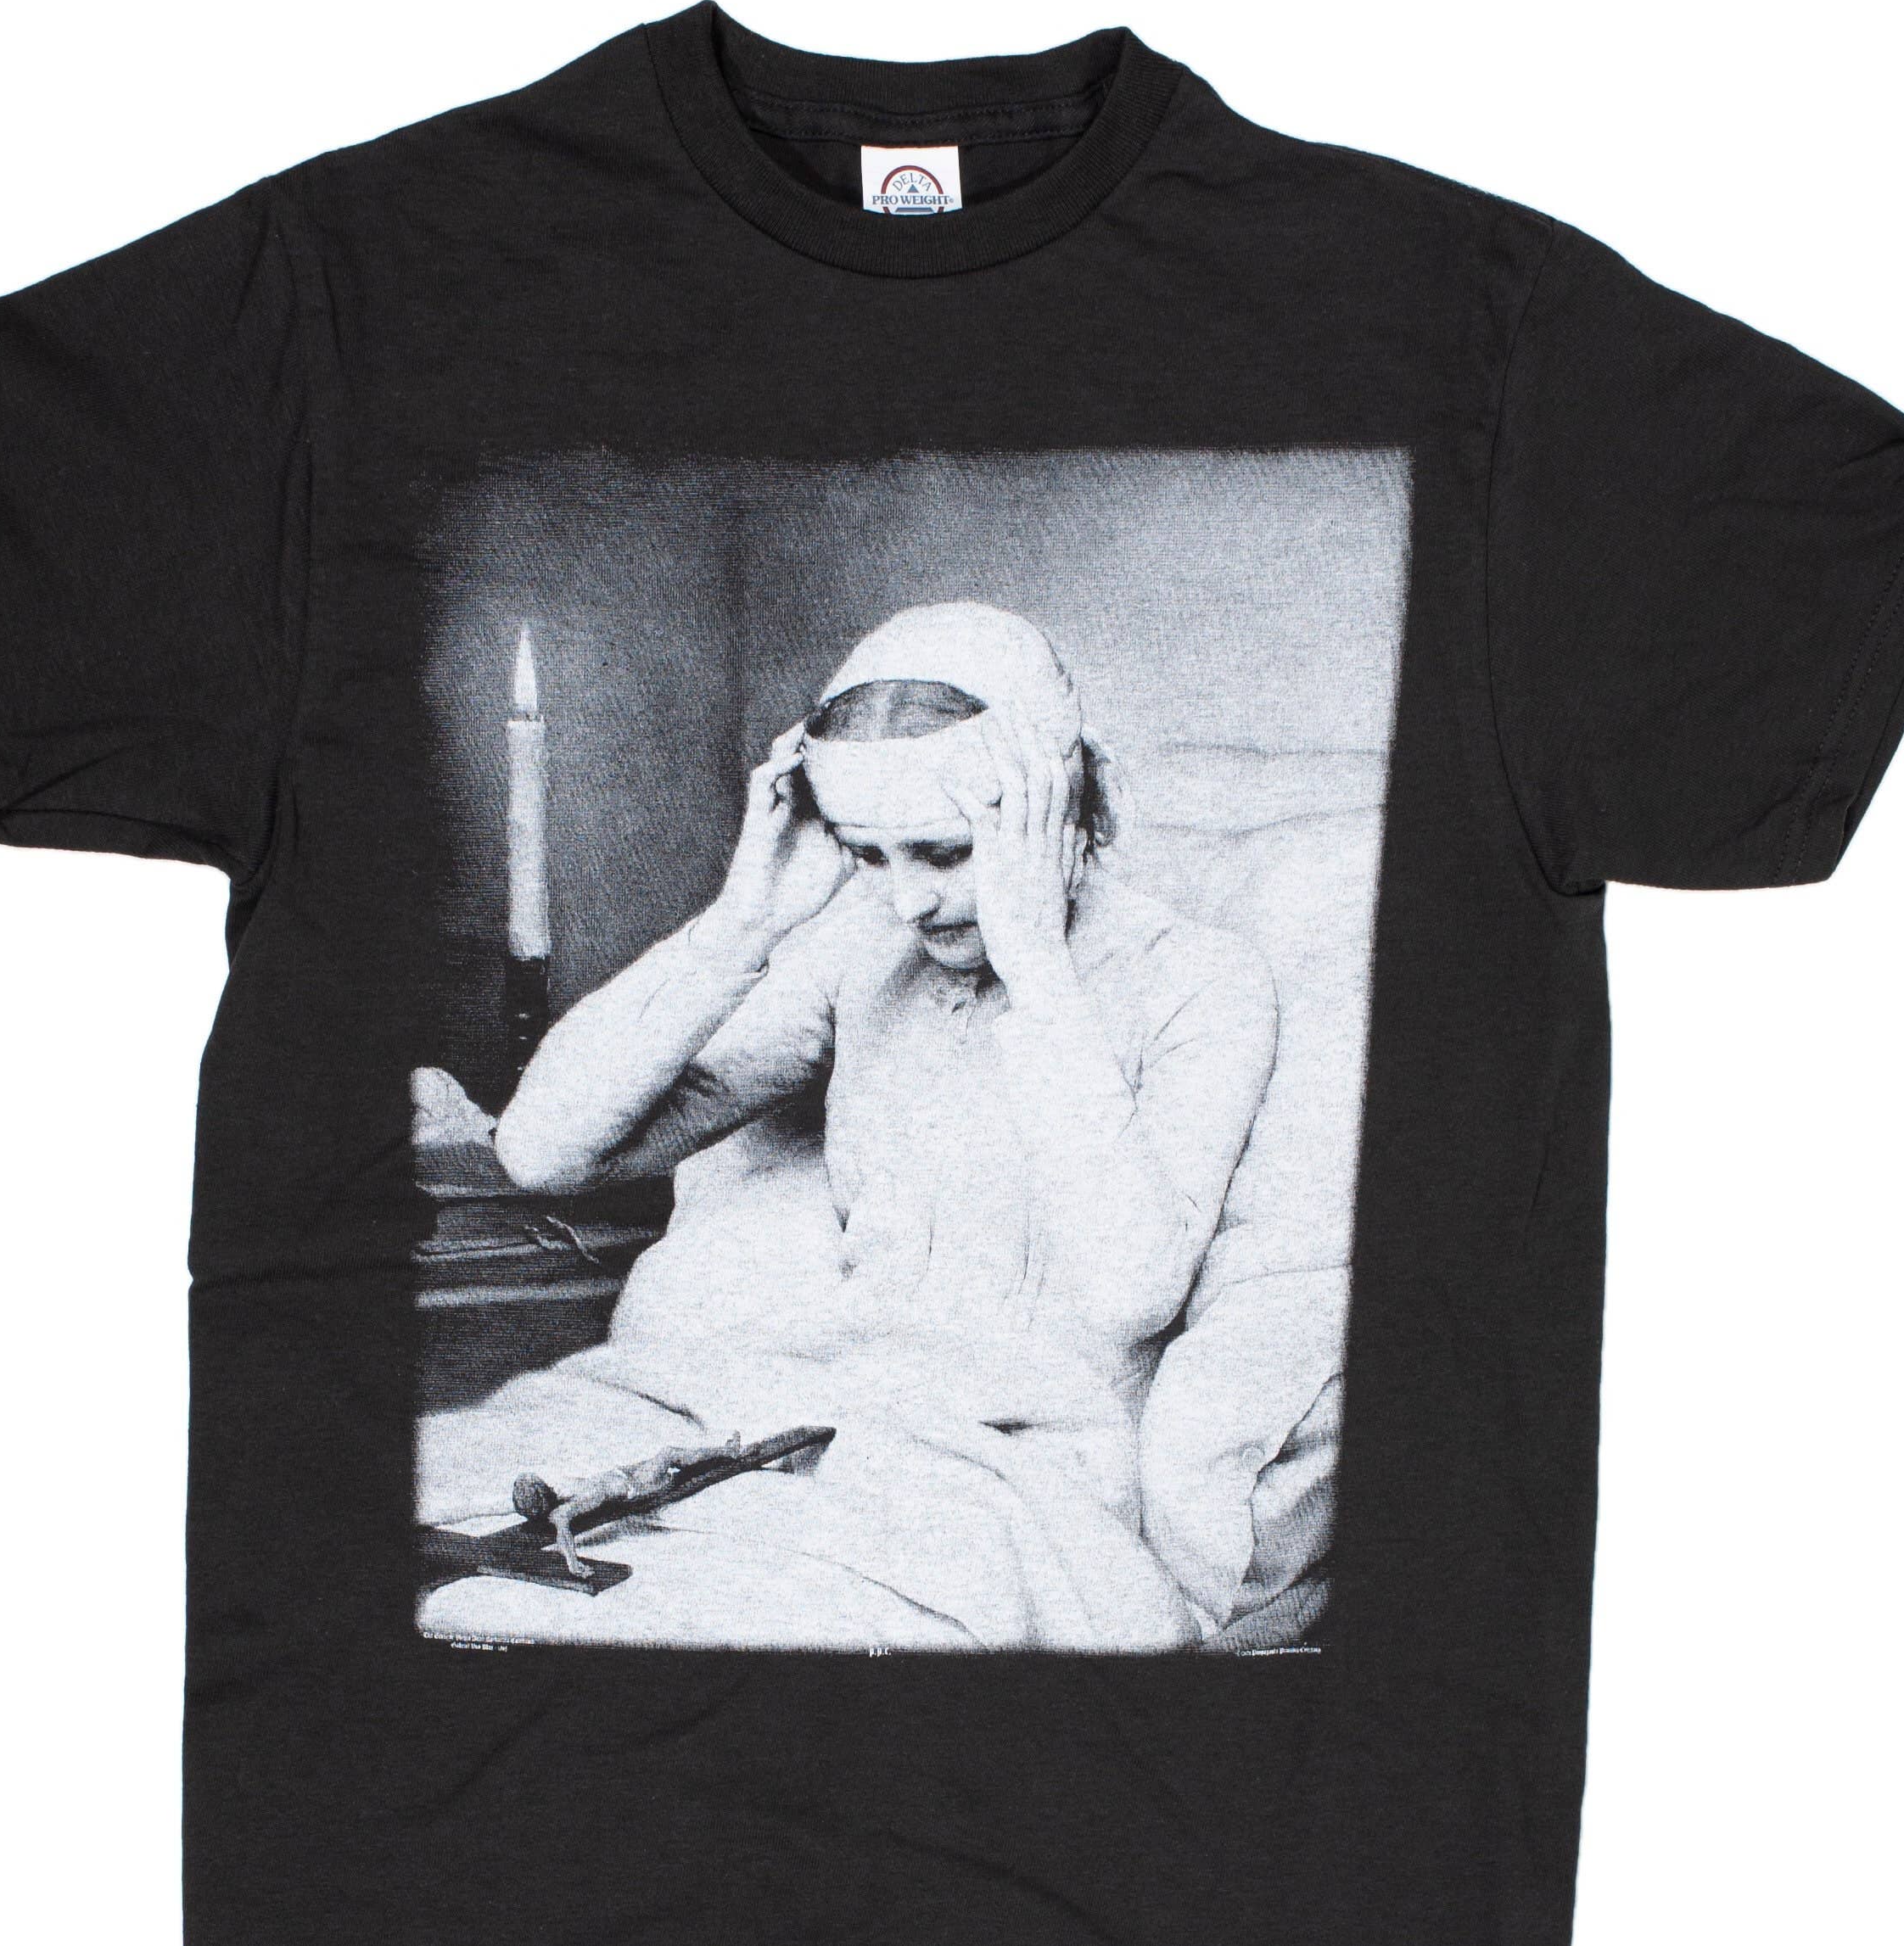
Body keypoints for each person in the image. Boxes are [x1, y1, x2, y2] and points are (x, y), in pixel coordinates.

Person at [417, 602, 1279, 1650]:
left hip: (1004, 1467)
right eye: (869, 855)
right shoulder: (862, 953)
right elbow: (544, 1153)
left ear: (1061, 805)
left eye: (943, 852)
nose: (908, 900)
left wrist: (1035, 964)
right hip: (792, 1416)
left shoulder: (1197, 980)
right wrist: (746, 918)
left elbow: (1128, 1291)